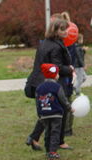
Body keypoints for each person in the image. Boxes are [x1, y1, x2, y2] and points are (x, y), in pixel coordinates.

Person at [25, 17, 73, 151]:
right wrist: (70, 69)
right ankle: (58, 141)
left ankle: (34, 138)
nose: (66, 32)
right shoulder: (55, 47)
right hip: (49, 84)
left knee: (46, 112)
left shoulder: (45, 43)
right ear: (55, 30)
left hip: (38, 83)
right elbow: (55, 67)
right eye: (63, 29)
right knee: (58, 111)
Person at [35, 63, 71, 160]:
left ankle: (48, 150)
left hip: (44, 114)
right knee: (55, 132)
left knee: (48, 132)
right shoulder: (57, 87)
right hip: (56, 114)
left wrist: (39, 113)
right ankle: (53, 152)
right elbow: (63, 100)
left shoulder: (39, 88)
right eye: (57, 73)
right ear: (54, 75)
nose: (58, 75)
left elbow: (37, 102)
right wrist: (69, 108)